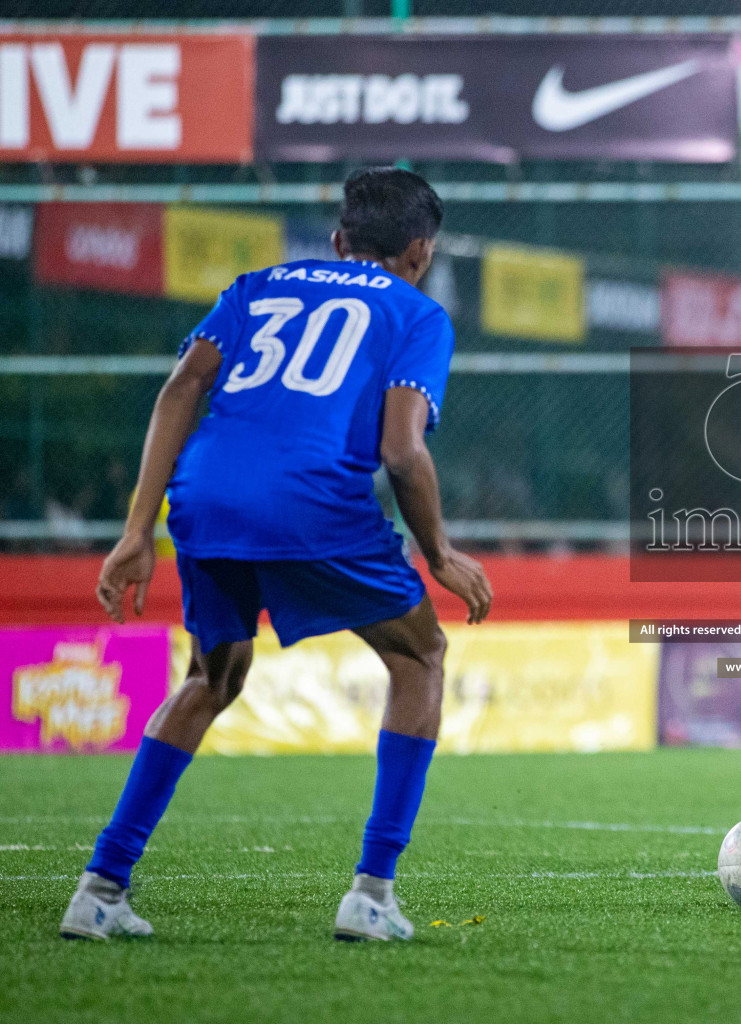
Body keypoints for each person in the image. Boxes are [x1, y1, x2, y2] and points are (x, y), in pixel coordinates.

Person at [60, 167, 493, 943]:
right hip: (312, 499)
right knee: (421, 654)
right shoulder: (418, 315)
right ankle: (372, 892)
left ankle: (100, 888)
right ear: (421, 251)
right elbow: (402, 451)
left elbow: (180, 390)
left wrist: (135, 531)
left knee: (211, 674)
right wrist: (441, 552)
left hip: (203, 495)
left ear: (337, 239)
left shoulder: (256, 285)